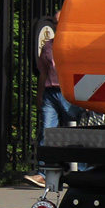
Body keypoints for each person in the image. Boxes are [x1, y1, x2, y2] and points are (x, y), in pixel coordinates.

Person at [24, 11, 81, 187]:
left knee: (74, 135)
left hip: (70, 94)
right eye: (55, 23)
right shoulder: (48, 46)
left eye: (60, 22)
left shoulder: (76, 46)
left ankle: (78, 172)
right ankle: (44, 173)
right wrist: (39, 94)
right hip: (51, 93)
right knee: (47, 131)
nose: (57, 26)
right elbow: (43, 72)